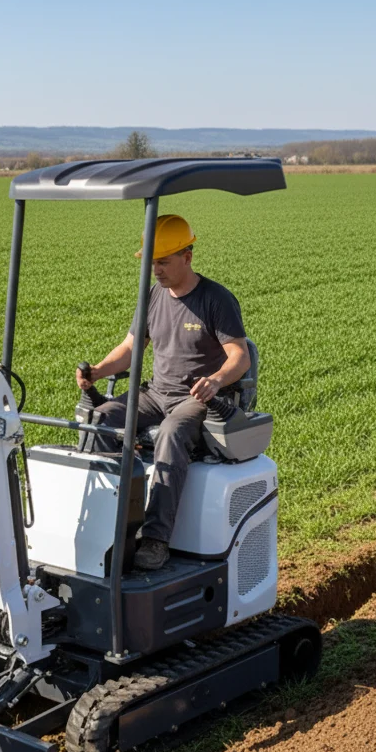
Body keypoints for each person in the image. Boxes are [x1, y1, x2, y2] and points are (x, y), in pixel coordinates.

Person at [76, 214, 250, 571]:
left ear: (187, 256)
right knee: (103, 417)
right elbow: (130, 348)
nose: (156, 269)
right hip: (155, 392)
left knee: (171, 432)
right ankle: (112, 525)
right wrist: (96, 372)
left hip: (195, 399)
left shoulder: (215, 299)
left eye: (163, 261)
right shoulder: (153, 296)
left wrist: (216, 380)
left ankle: (156, 539)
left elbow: (240, 355)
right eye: (152, 261)